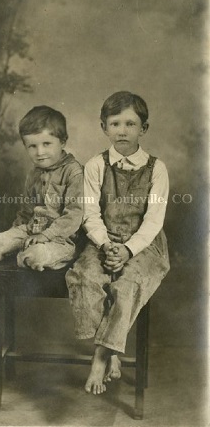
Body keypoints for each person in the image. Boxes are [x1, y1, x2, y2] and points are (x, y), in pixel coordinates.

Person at [66, 91, 170, 395]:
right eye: (114, 124)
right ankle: (112, 349)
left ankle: (100, 357)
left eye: (130, 123)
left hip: (143, 245)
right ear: (104, 127)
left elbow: (153, 220)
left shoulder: (157, 168)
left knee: (126, 286)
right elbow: (89, 212)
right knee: (85, 277)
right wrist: (105, 244)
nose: (122, 131)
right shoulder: (95, 165)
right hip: (103, 240)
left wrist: (127, 250)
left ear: (143, 129)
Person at [0, 105, 83, 333]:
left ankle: (27, 255)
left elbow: (74, 215)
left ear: (63, 141)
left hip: (61, 239)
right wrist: (12, 236)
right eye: (31, 146)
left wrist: (45, 236)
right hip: (29, 229)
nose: (39, 152)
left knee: (35, 256)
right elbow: (26, 210)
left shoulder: (74, 172)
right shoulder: (33, 172)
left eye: (46, 144)